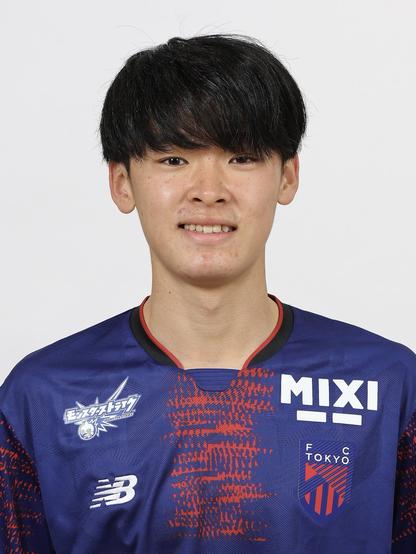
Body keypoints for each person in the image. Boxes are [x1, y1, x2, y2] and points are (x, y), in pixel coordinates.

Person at [0, 33, 414, 554]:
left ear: (287, 177)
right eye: (174, 160)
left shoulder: (389, 385)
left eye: (241, 158)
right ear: (121, 183)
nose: (209, 191)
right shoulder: (41, 398)